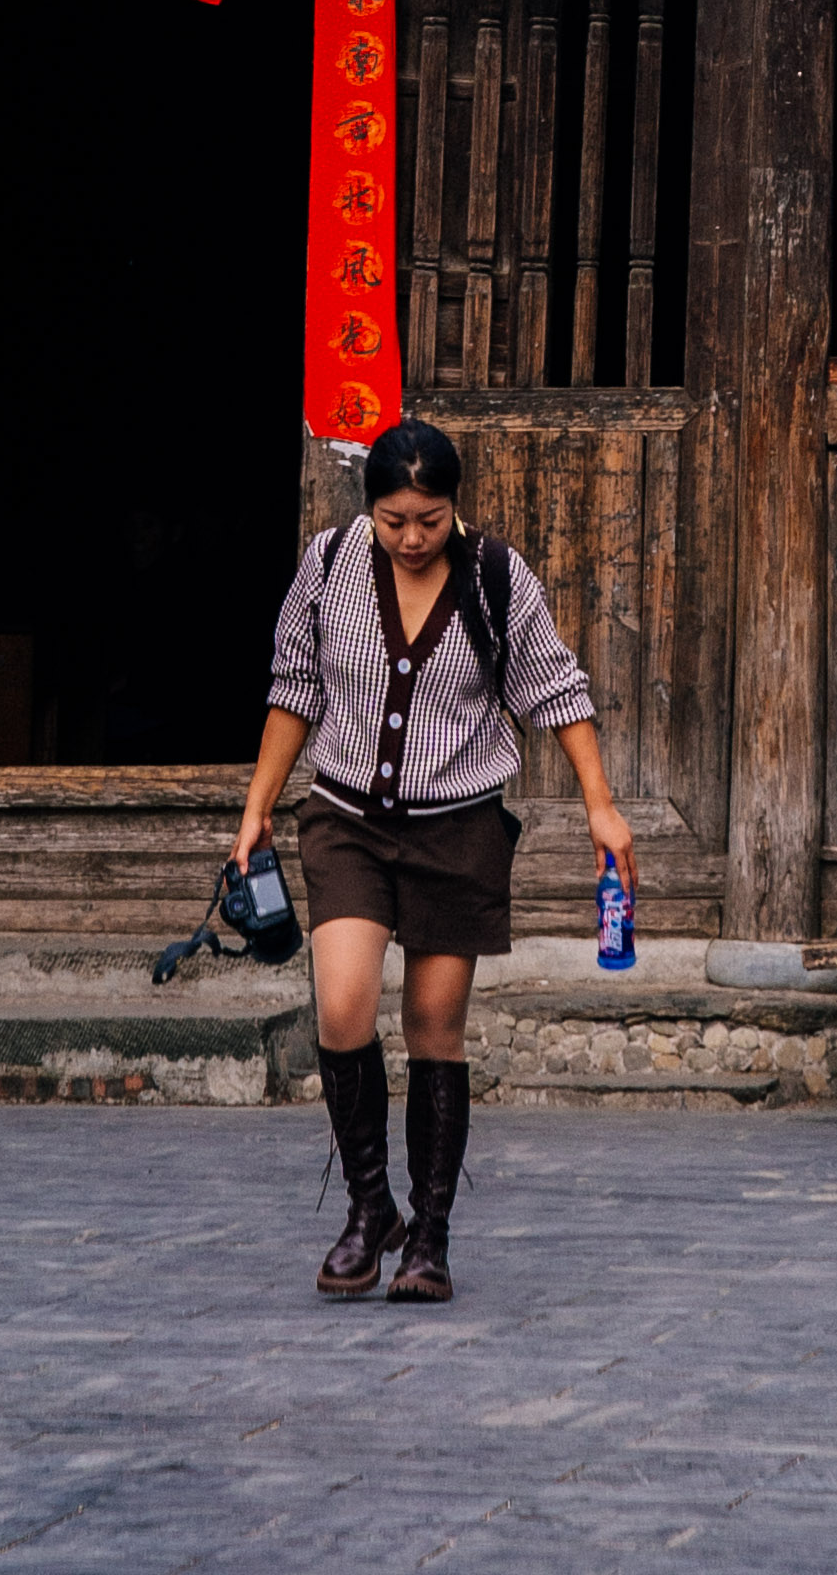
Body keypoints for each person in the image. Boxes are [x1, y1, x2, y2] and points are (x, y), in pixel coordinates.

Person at [233, 411, 634, 1306]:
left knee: (432, 1027)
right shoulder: (330, 566)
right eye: (395, 520)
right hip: (347, 819)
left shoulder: (495, 576)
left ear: (455, 507)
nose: (413, 538)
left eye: (431, 518)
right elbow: (293, 690)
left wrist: (602, 809)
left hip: (458, 830)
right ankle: (371, 1209)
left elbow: (556, 690)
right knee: (341, 1008)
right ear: (368, 509)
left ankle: (432, 1236)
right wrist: (256, 811)